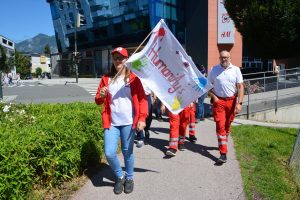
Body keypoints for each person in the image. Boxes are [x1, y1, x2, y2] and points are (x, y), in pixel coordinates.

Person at [95, 47, 148, 194]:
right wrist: (101, 94)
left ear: (126, 59)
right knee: (110, 152)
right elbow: (98, 101)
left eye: (121, 58)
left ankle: (129, 178)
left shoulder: (134, 78)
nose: (118, 60)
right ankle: (120, 177)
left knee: (127, 152)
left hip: (128, 122)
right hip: (111, 122)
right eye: (115, 58)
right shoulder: (106, 79)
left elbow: (143, 100)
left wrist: (142, 119)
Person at [207, 50, 244, 164]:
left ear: (230, 58)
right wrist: (214, 97)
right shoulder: (214, 70)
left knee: (227, 125)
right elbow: (207, 86)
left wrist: (239, 103)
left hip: (232, 101)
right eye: (222, 57)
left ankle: (223, 142)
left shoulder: (236, 70)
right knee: (220, 125)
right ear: (219, 58)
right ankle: (223, 153)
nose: (224, 59)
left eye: (226, 57)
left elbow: (240, 87)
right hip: (219, 102)